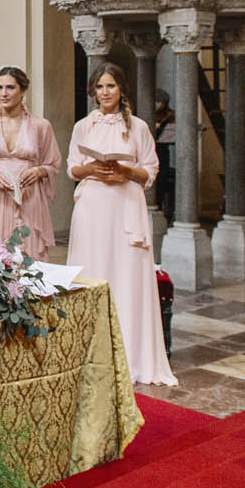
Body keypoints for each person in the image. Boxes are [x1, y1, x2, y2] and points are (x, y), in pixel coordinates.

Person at [67, 63, 173, 386]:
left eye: (110, 86)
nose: (105, 92)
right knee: (94, 270)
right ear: (93, 91)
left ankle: (130, 353)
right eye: (100, 87)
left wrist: (126, 172)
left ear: (121, 89)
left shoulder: (138, 127)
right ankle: (90, 352)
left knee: (126, 275)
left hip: (126, 205)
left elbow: (150, 171)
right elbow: (72, 168)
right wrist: (91, 169)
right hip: (93, 207)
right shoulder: (83, 127)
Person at [0, 66, 61, 261]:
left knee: (29, 253)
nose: (4, 93)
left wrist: (40, 171)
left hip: (29, 196)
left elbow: (53, 163)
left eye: (10, 87)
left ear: (23, 91)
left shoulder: (41, 125)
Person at [151, 90, 176, 222]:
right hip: (149, 151)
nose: (158, 105)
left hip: (162, 152)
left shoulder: (169, 116)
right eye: (156, 102)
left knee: (161, 179)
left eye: (161, 103)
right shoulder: (145, 113)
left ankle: (160, 208)